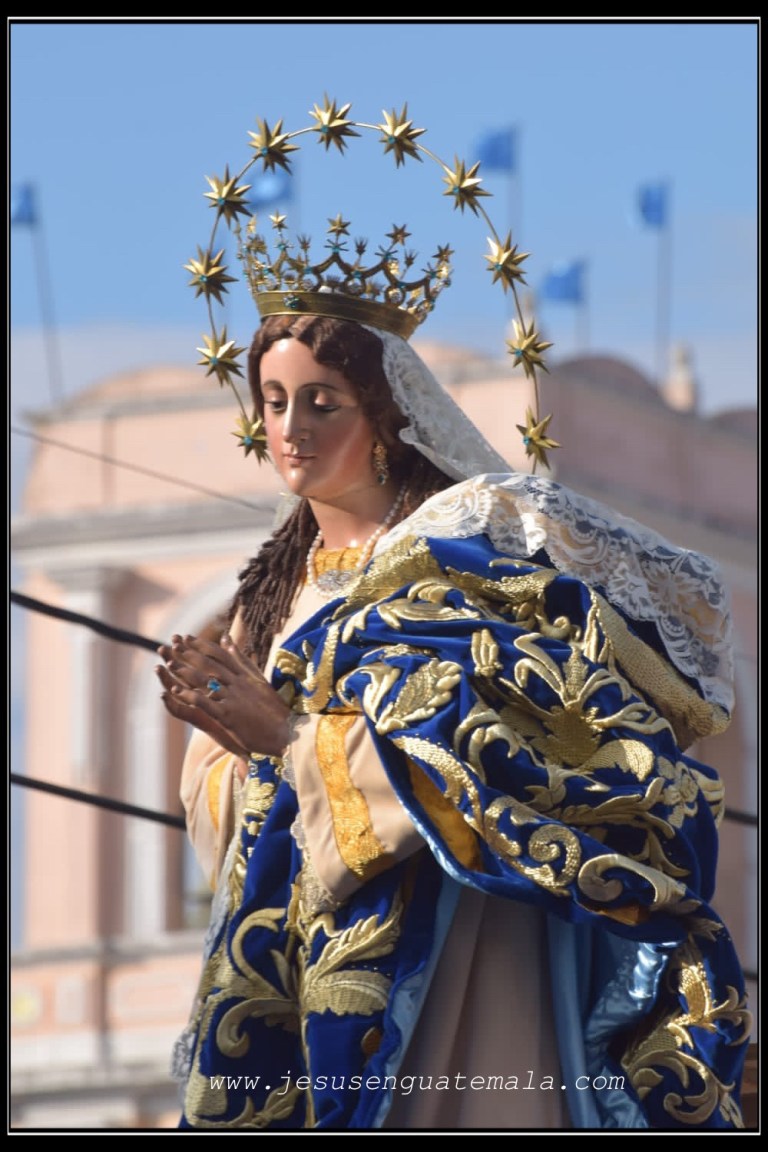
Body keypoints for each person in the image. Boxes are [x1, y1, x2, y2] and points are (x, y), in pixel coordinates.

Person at [157, 104, 751, 1130]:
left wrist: (294, 739)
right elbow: (225, 797)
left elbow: (512, 742)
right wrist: (243, 749)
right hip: (312, 950)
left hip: (466, 944)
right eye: (274, 401)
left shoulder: (465, 551)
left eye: (323, 402)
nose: (292, 429)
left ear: (388, 418)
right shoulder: (269, 599)